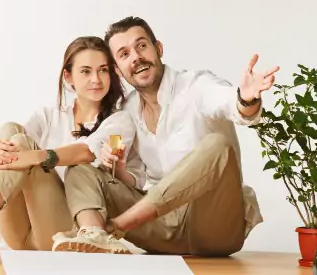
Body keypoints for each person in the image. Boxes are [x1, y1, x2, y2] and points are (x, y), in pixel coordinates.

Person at [52, 16, 280, 256]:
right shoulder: (128, 111)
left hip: (215, 228)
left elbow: (234, 105)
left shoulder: (195, 86)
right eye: (124, 54)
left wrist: (246, 98)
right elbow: (133, 180)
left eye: (141, 46)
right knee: (81, 168)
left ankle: (114, 227)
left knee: (218, 145)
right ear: (118, 69)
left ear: (158, 49)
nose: (136, 57)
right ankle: (94, 235)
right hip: (164, 228)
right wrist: (117, 169)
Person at [0, 36, 140, 264]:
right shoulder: (50, 115)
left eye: (102, 70)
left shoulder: (119, 120)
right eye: (85, 71)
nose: (96, 79)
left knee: (22, 144)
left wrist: (37, 156)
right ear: (68, 76)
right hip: (20, 235)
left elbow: (86, 152)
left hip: (63, 234)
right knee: (10, 129)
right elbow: (9, 139)